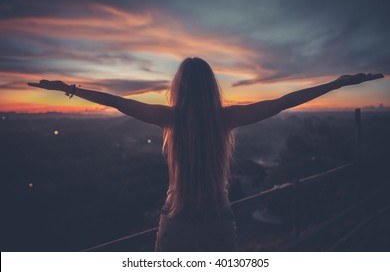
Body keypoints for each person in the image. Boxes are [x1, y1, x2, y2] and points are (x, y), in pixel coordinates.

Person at [27, 57, 383, 251]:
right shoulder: (226, 119)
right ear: (211, 87)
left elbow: (117, 102)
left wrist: (69, 89)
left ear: (178, 88)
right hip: (218, 225)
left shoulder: (169, 118)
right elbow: (284, 101)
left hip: (176, 226)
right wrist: (337, 83)